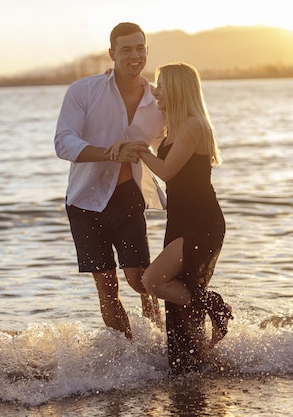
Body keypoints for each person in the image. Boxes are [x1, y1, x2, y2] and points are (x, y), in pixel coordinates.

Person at [107, 62, 232, 369]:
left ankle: (215, 305)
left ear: (176, 89)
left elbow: (166, 171)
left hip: (201, 221)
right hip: (179, 219)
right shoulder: (173, 127)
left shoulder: (193, 125)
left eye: (161, 86)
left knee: (153, 280)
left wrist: (138, 150)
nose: (156, 91)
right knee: (179, 304)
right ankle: (193, 363)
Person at [54, 22, 166, 339]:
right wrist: (110, 153)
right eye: (126, 49)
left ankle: (159, 341)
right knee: (107, 284)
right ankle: (128, 354)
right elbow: (64, 143)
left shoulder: (157, 102)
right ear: (112, 53)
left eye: (140, 48)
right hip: (84, 201)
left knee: (140, 278)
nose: (135, 55)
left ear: (147, 51)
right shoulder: (83, 90)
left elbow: (168, 149)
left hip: (129, 196)